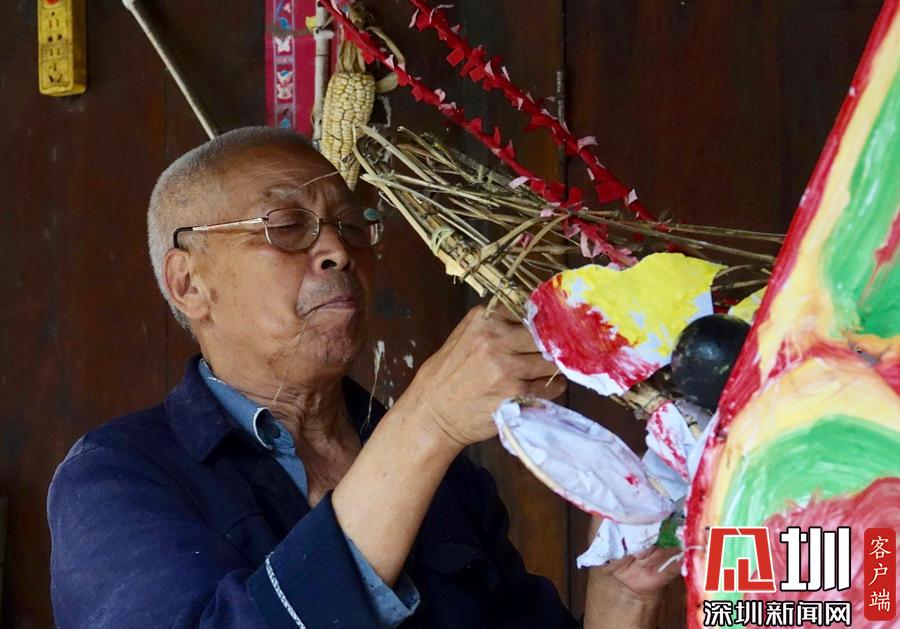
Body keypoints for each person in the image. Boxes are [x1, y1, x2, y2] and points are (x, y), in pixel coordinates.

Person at [48, 127, 680, 628]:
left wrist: (622, 592)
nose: (339, 252)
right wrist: (425, 423)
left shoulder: (448, 477)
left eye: (352, 227)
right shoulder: (117, 475)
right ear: (189, 284)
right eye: (287, 227)